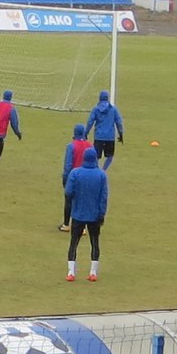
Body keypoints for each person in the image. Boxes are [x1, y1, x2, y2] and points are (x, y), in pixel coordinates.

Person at [63, 146, 109, 282]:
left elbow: (68, 192)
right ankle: (93, 272)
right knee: (95, 242)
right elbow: (103, 197)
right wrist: (102, 213)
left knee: (74, 242)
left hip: (78, 213)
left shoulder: (76, 173)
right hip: (94, 214)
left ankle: (71, 272)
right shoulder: (101, 175)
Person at [58, 124, 91, 231]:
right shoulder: (90, 146)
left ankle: (66, 224)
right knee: (83, 201)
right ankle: (84, 227)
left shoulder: (71, 146)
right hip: (87, 178)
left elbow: (68, 165)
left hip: (74, 178)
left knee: (69, 201)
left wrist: (65, 178)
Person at [86, 89, 124, 169]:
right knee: (110, 156)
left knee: (96, 156)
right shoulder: (113, 110)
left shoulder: (96, 109)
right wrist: (121, 134)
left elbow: (90, 122)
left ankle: (97, 169)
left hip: (98, 136)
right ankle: (104, 170)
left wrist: (86, 133)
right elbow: (119, 122)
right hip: (110, 137)